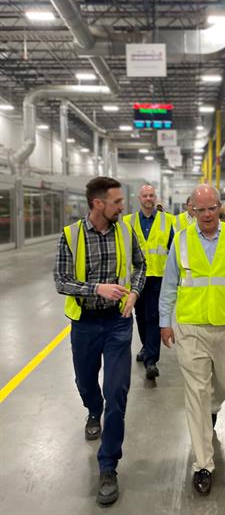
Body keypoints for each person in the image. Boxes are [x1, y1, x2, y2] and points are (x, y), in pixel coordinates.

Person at [159, 184, 225, 495]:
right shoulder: (181, 240)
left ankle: (213, 406)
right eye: (199, 209)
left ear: (220, 207)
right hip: (190, 326)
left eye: (211, 208)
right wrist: (164, 322)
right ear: (191, 210)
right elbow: (169, 284)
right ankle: (203, 464)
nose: (206, 214)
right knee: (196, 393)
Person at [54, 176, 146, 505]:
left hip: (118, 323)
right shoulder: (71, 235)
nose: (123, 207)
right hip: (85, 324)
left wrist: (134, 292)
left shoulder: (126, 231)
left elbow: (141, 265)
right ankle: (93, 410)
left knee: (117, 393)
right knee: (85, 381)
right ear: (98, 204)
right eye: (117, 202)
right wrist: (96, 289)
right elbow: (61, 280)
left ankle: (108, 466)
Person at [123, 184, 174, 380]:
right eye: (145, 195)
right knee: (141, 316)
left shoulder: (167, 220)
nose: (148, 198)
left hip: (158, 276)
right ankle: (146, 347)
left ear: (155, 197)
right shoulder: (128, 221)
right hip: (136, 277)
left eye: (151, 195)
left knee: (153, 316)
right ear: (139, 198)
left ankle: (151, 360)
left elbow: (174, 248)